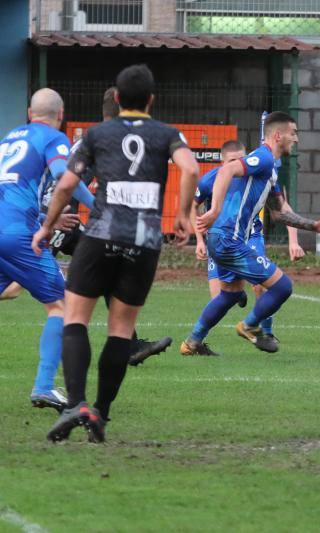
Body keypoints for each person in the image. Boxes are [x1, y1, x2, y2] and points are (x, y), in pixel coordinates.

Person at [33, 64, 199, 442]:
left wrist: (46, 227)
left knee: (75, 319)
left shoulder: (96, 135)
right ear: (151, 100)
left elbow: (66, 185)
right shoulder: (167, 134)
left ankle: (77, 404)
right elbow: (189, 169)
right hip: (143, 243)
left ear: (118, 99)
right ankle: (101, 416)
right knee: (121, 330)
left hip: (100, 236)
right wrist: (185, 215)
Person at [188, 112, 320, 355]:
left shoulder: (270, 170)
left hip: (225, 239)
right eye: (294, 133)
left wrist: (313, 226)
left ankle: (192, 342)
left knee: (231, 294)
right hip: (228, 238)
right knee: (282, 287)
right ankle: (250, 327)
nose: (296, 139)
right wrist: (215, 210)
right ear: (278, 136)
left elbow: (279, 213)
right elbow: (226, 172)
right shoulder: (264, 158)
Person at [49, 86, 173, 367]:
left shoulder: (99, 139)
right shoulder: (101, 141)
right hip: (55, 219)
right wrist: (85, 209)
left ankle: (129, 345)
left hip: (62, 221)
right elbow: (68, 182)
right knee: (19, 280)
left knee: (105, 271)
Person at [0, 88, 95, 412]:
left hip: (7, 226)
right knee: (63, 306)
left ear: (29, 113)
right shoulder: (53, 138)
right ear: (61, 113)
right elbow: (65, 179)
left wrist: (44, 217)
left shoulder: (10, 138)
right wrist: (98, 207)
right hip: (17, 235)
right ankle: (44, 386)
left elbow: (8, 191)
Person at [186, 139, 306, 355]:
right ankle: (197, 340)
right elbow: (192, 207)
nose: (237, 165)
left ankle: (265, 332)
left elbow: (281, 209)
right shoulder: (210, 180)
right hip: (223, 238)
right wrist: (200, 240)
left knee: (263, 285)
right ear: (223, 162)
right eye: (232, 161)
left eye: (240, 160)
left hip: (250, 236)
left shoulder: (259, 173)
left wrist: (295, 238)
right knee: (224, 295)